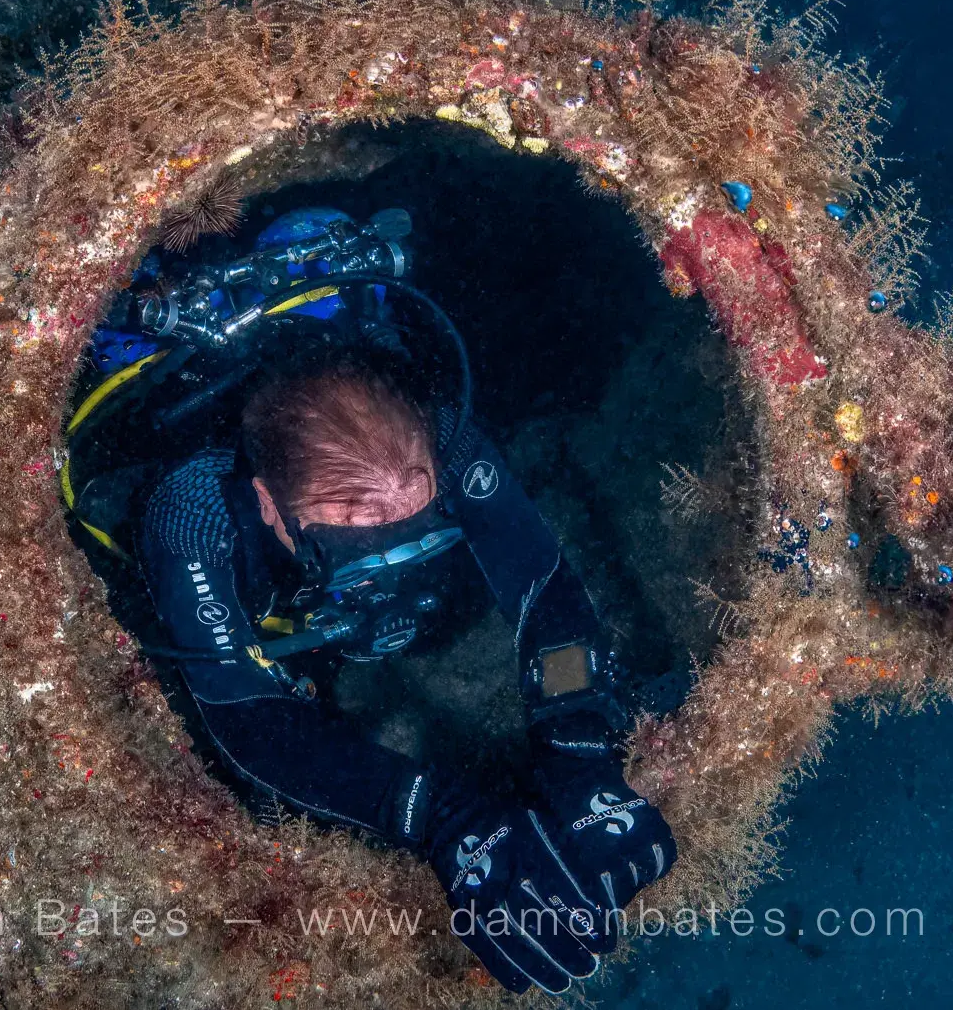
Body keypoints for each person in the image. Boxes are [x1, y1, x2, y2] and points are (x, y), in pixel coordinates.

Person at [136, 348, 676, 994]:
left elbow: (544, 587)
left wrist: (578, 748)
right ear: (269, 505)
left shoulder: (443, 436)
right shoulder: (194, 513)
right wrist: (433, 811)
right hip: (263, 621)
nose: (394, 575)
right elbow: (244, 714)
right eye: (359, 550)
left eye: (418, 530)